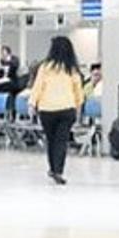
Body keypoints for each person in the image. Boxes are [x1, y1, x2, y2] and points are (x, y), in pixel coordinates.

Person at [28, 36, 86, 185]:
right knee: (61, 141)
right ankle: (58, 170)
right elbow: (78, 90)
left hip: (47, 109)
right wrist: (79, 107)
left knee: (51, 139)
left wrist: (32, 104)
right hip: (67, 109)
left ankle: (53, 168)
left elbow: (38, 87)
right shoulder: (71, 69)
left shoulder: (45, 67)